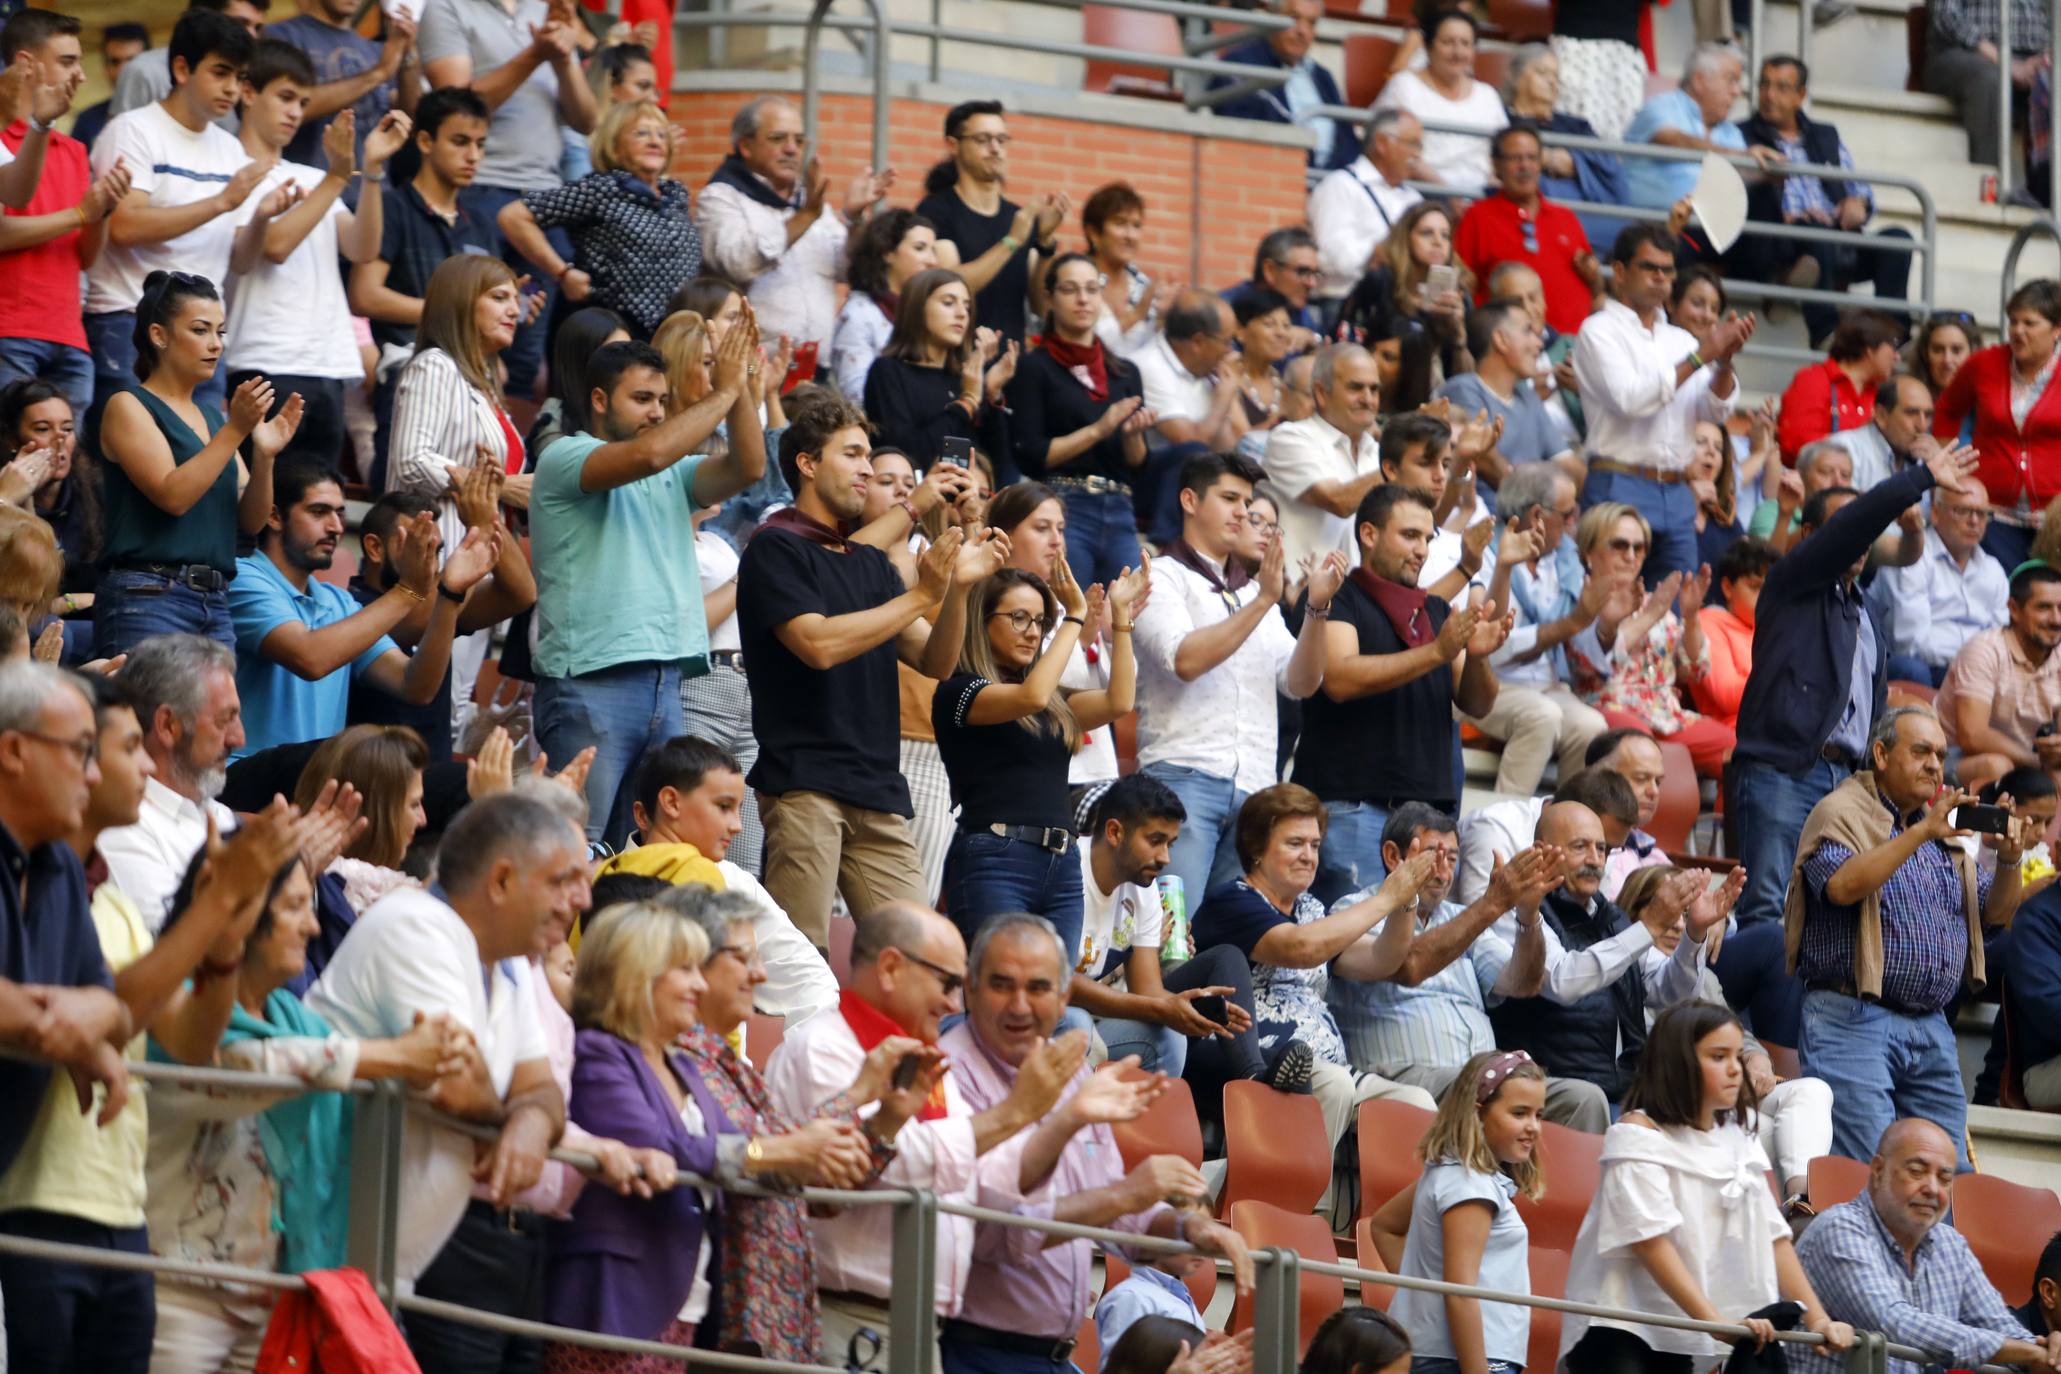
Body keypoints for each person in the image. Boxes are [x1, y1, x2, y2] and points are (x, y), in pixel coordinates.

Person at [143, 838, 465, 1373]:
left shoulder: (298, 1022)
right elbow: (245, 1066)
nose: (313, 927)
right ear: (239, 911)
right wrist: (392, 1055)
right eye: (294, 907)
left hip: (274, 1293)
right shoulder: (173, 1002)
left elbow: (319, 1058)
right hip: (176, 1293)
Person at [305, 790, 577, 1373]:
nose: (578, 900)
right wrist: (519, 1118)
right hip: (316, 1259)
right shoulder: (417, 926)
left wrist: (529, 1122)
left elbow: (543, 1089)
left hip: (375, 1273)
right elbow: (453, 1087)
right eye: (561, 881)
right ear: (501, 880)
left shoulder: (508, 960)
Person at [545, 900, 872, 1372]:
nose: (699, 985)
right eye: (685, 970)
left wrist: (840, 1128)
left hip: (685, 1302)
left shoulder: (678, 1064)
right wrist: (788, 1148)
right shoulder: (600, 1053)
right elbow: (671, 1150)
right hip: (614, 1302)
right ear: (640, 973)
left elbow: (742, 1149)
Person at [762, 901, 1074, 1371]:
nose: (954, 1004)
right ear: (890, 968)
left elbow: (981, 1177)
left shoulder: (919, 1053)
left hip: (915, 1330)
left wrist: (1063, 1120)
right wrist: (1014, 1113)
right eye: (948, 982)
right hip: (845, 1320)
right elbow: (889, 1163)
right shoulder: (821, 1049)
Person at [939, 912, 1255, 1374]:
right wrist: (1126, 1193)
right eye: (1002, 985)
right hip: (975, 1350)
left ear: (1065, 995)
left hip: (1049, 1354)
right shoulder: (947, 1075)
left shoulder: (1069, 1075)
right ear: (969, 986)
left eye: (1040, 988)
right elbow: (994, 1228)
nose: (1021, 1006)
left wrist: (1182, 1230)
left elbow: (1117, 1207)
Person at [736, 396, 970, 951]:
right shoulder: (776, 548)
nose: (868, 468)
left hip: (878, 788)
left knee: (923, 955)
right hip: (804, 783)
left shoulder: (867, 562)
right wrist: (921, 594)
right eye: (854, 454)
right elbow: (817, 645)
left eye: (869, 455)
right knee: (800, 961)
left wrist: (956, 589)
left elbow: (935, 662)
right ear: (808, 464)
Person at [1729, 443, 1980, 941]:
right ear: (1808, 537)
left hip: (1847, 780)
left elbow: (1900, 553)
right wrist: (1921, 477)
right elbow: (1852, 528)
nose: (1861, 540)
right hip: (1785, 770)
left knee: (1836, 920)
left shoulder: (1864, 610)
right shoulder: (1790, 584)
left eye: (1867, 534)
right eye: (1850, 528)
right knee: (1765, 913)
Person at [530, 323, 768, 845]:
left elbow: (749, 464)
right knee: (572, 846)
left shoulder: (674, 474)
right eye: (641, 398)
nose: (657, 412)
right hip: (590, 683)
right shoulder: (564, 456)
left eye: (662, 400)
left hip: (667, 684)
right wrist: (723, 391)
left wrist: (743, 387)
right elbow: (650, 454)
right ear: (598, 399)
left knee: (642, 854)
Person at [667, 885, 919, 1362]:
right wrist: (855, 1098)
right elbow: (735, 1157)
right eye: (743, 959)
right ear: (692, 963)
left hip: (770, 1323)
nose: (761, 976)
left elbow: (801, 1177)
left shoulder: (734, 1069)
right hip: (716, 1322)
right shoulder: (676, 1063)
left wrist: (883, 1116)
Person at [1788, 704, 2038, 1162]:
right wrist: (1923, 830)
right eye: (1921, 751)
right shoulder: (1840, 812)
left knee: (1948, 1177)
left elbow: (1995, 914)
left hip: (1931, 1025)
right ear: (1880, 755)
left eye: (1941, 756)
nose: (1934, 765)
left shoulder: (1939, 830)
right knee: (1868, 1168)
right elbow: (1841, 886)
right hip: (1851, 1019)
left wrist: (2008, 860)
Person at [1558, 1003, 1855, 1374]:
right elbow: (1650, 1242)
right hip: (1622, 1327)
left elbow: (1773, 1238)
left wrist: (1818, 1319)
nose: (1736, 1069)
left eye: (1736, 1055)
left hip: (1683, 1328)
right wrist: (1716, 1323)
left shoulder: (1737, 1136)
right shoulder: (1637, 1132)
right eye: (1718, 1056)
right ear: (1678, 1062)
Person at [0, 663, 147, 1369]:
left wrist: (80, 1022)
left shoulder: (57, 863)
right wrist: (46, 1023)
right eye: (79, 751)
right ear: (13, 750)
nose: (91, 777)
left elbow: (111, 1007)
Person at [1194, 783, 1444, 1171]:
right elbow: (1299, 949)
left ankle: (1377, 1225)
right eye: (1295, 843)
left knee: (1417, 1106)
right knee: (1334, 1085)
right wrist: (1385, 898)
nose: (1309, 856)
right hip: (1260, 1062)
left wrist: (1406, 897)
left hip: (1332, 1067)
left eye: (1314, 845)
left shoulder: (1313, 909)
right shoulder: (1234, 900)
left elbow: (1383, 959)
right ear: (1257, 848)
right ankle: (1292, 1209)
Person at [1327, 803, 1612, 1131]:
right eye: (1433, 855)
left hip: (1484, 1077)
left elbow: (1523, 983)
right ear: (1393, 856)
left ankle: (1531, 1185)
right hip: (1403, 1078)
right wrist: (1494, 903)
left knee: (1584, 1099)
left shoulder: (1459, 917)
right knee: (1503, 1093)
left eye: (1452, 859)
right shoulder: (1352, 911)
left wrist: (1528, 915)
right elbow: (1408, 966)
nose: (1444, 872)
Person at [1135, 452, 1339, 898]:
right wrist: (1265, 600)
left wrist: (1316, 608)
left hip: (1256, 789)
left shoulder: (1252, 593)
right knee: (1171, 933)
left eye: (1246, 502)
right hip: (1182, 774)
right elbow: (1185, 660)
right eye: (1230, 498)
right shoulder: (1160, 577)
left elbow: (1301, 683)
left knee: (1228, 934)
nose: (1242, 512)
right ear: (1189, 500)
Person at [1299, 483, 1509, 901]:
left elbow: (1477, 704)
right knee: (1351, 950)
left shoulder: (1432, 610)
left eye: (1427, 538)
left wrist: (1479, 657)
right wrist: (1436, 651)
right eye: (1409, 535)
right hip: (1354, 807)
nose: (1423, 550)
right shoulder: (1337, 595)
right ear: (1369, 535)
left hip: (1427, 818)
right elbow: (1339, 679)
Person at [934, 556, 1146, 962]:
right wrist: (1075, 617)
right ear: (981, 619)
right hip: (996, 859)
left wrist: (1120, 617)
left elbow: (1120, 700)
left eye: (1039, 621)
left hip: (1062, 866)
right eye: (1019, 618)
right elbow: (1029, 696)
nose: (1033, 632)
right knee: (998, 985)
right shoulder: (960, 692)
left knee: (1053, 995)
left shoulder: (1050, 702)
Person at [92, 272, 302, 659]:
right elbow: (173, 496)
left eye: (220, 332)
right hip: (148, 594)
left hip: (216, 600)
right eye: (200, 330)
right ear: (159, 335)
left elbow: (250, 523)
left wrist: (265, 456)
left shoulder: (212, 418)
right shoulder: (128, 405)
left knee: (210, 720)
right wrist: (235, 430)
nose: (215, 345)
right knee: (145, 719)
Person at [228, 456, 494, 759]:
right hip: (249, 772)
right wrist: (410, 590)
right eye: (318, 512)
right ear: (275, 517)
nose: (335, 527)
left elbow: (415, 687)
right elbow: (308, 658)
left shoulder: (338, 602)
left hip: (312, 780)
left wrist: (450, 594)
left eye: (340, 514)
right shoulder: (241, 576)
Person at [226, 41, 409, 471]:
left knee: (315, 508)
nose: (295, 112)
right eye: (285, 97)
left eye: (304, 102)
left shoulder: (313, 176)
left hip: (329, 363)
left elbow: (362, 247)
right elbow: (274, 246)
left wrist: (373, 172)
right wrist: (338, 176)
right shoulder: (226, 167)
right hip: (260, 358)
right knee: (260, 502)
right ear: (248, 93)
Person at [1069, 772, 1312, 1093]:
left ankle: (1157, 1133)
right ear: (1114, 832)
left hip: (1098, 1019)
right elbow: (1057, 984)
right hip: (1053, 1020)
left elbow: (1147, 989)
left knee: (1171, 1029)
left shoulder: (1144, 889)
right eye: (1155, 841)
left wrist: (1192, 1009)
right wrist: (1163, 1008)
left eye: (1170, 844)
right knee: (1076, 1021)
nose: (1165, 858)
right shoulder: (1067, 868)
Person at [1617, 863, 1837, 1211]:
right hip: (1669, 1115)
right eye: (1672, 912)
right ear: (1633, 912)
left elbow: (1738, 1034)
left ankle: (1801, 1204)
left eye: (1687, 914)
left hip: (1724, 1107)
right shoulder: (1621, 969)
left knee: (1812, 1091)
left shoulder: (1703, 977)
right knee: (1775, 1135)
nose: (1679, 924)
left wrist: (1755, 1059)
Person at [1490, 801, 1728, 1105]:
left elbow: (1671, 993)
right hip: (1554, 1089)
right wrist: (1649, 925)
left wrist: (1694, 935)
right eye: (1580, 847)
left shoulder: (1612, 916)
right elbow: (1562, 981)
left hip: (1627, 1088)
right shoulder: (1520, 910)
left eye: (1601, 849)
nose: (1594, 859)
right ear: (1542, 850)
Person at [418, 0, 597, 400]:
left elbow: (587, 120)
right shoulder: (448, 8)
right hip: (481, 189)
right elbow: (453, 105)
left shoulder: (544, 10)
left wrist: (563, 57)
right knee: (470, 336)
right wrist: (536, 54)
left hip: (546, 200)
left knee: (527, 352)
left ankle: (510, 454)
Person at [84, 9, 261, 413]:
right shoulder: (133, 130)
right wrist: (221, 202)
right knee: (136, 464)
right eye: (221, 72)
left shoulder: (230, 149)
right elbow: (125, 226)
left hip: (206, 332)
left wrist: (264, 215)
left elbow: (243, 260)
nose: (232, 88)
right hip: (128, 321)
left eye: (239, 76)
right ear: (182, 68)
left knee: (206, 464)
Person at [1795, 1117, 2061, 1374]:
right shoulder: (1839, 1228)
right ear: (1878, 1171)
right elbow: (1895, 1324)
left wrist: (2048, 1351)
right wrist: (2028, 1353)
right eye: (1917, 1172)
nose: (1933, 1189)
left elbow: (1998, 1324)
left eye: (1945, 1179)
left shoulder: (1950, 1244)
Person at [608, 735, 839, 1028]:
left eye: (738, 809)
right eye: (724, 806)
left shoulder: (735, 882)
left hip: (724, 1069)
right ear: (670, 803)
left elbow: (812, 981)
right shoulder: (604, 881)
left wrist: (799, 1062)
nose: (737, 825)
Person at [1574, 224, 1753, 585]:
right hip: (1618, 480)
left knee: (1677, 606)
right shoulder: (1598, 330)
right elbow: (1631, 400)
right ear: (1620, 271)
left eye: (1668, 270)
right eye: (1649, 268)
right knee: (1610, 601)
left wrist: (1724, 361)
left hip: (1676, 490)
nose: (1660, 278)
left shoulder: (1680, 339)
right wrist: (1704, 354)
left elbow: (1714, 412)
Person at [345, 85, 493, 484]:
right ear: (425, 141)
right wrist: (459, 313)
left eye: (480, 144)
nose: (473, 155)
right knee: (402, 500)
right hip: (407, 368)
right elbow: (364, 295)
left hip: (475, 376)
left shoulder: (478, 221)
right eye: (460, 141)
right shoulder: (392, 208)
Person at [1365, 1050, 1546, 1374]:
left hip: (1438, 1356)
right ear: (1478, 1114)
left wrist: (1423, 1300)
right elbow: (1461, 1293)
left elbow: (1384, 1227)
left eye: (1538, 1115)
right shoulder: (1471, 1185)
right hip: (1465, 1362)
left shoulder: (1451, 1172)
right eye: (1519, 1113)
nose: (1533, 1127)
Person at [0, 9, 133, 420]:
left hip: (69, 333)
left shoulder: (76, 150)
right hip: (10, 330)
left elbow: (87, 256)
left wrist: (103, 210)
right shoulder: (3, 135)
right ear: (26, 65)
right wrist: (81, 213)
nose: (81, 75)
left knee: (66, 472)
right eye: (67, 61)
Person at [344, 483, 536, 764]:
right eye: (418, 544)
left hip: (432, 773)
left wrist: (486, 520)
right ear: (375, 548)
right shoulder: (351, 607)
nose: (430, 560)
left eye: (436, 549)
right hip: (376, 776)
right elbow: (417, 617)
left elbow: (521, 594)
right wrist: (456, 581)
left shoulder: (442, 600)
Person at [1737, 57, 1915, 350]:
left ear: (1801, 95)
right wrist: (1793, 217)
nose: (1769, 95)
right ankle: (1825, 332)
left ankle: (1894, 334)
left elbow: (1859, 189)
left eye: (1782, 87)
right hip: (1783, 243)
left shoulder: (1825, 134)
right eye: (1765, 85)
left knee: (1898, 240)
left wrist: (1859, 204)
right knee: (1814, 229)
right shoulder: (1742, 135)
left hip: (1837, 239)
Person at [498, 99, 702, 341]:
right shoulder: (601, 189)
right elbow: (514, 216)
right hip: (613, 332)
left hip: (672, 335)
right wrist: (563, 273)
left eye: (661, 134)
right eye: (641, 134)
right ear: (614, 146)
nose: (655, 141)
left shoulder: (675, 196)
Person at [1007, 252, 1153, 585]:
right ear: (1049, 298)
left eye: (1091, 288)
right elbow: (1032, 454)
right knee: (1067, 611)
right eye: (1071, 289)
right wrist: (1099, 429)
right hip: (1065, 506)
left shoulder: (1125, 372)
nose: (1083, 298)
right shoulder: (1035, 367)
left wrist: (1132, 436)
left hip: (1120, 506)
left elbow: (1138, 464)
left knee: (1128, 614)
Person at [1464, 463, 1612, 794]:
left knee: (1593, 728)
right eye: (1569, 512)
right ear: (1536, 515)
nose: (1575, 522)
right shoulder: (1485, 552)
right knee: (1542, 716)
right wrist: (1571, 623)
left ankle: (1568, 827)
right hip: (1489, 685)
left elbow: (1581, 641)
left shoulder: (1566, 560)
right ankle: (1503, 828)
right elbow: (1493, 644)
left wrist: (1608, 625)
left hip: (1547, 684)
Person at [697, 95, 890, 349]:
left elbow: (849, 270)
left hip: (813, 370)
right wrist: (806, 216)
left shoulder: (809, 201)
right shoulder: (721, 197)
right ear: (745, 145)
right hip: (751, 367)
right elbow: (739, 263)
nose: (791, 149)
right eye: (778, 138)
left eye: (799, 141)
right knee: (750, 378)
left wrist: (853, 218)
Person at [1567, 501, 1733, 779]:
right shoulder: (1578, 598)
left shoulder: (1653, 602)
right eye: (1620, 545)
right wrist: (1651, 614)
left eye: (1639, 547)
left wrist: (1691, 617)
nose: (1631, 556)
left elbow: (1693, 669)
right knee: (1639, 745)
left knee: (1734, 749)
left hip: (1666, 714)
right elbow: (1591, 666)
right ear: (1589, 552)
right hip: (1607, 706)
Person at [98, 635, 243, 930]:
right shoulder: (123, 826)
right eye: (223, 720)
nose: (239, 739)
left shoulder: (217, 813)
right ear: (167, 725)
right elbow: (172, 949)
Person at [1932, 279, 2061, 570]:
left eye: (2030, 322)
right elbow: (1947, 410)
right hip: (1993, 514)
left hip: (2055, 520)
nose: (2018, 331)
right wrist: (1948, 461)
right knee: (2002, 597)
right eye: (2013, 321)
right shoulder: (1984, 363)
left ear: (2057, 329)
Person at [916, 99, 1061, 347]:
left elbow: (1040, 306)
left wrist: (1045, 244)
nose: (995, 148)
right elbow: (948, 284)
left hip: (1011, 366)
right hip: (956, 360)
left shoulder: (1018, 217)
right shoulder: (936, 210)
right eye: (983, 139)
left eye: (1002, 140)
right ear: (953, 145)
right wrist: (1011, 241)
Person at [1455, 125, 1600, 342]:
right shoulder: (1477, 216)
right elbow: (1462, 284)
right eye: (1515, 158)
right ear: (1496, 165)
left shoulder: (1565, 216)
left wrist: (1594, 277)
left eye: (1532, 158)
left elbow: (1593, 284)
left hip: (1573, 347)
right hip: (1511, 347)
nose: (1525, 166)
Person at [864, 266, 1014, 473]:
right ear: (917, 308)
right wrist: (967, 402)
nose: (962, 314)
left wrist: (991, 393)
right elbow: (909, 454)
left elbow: (998, 463)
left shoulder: (965, 378)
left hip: (969, 496)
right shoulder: (888, 371)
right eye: (948, 303)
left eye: (967, 307)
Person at [1935, 561, 2061, 788]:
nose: (2055, 620)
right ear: (2014, 609)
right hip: (1948, 757)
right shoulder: (1984, 651)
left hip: (2025, 763)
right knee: (1997, 767)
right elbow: (1973, 737)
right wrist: (2038, 763)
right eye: (2043, 608)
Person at [1263, 343, 1384, 577]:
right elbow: (1338, 501)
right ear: (1321, 393)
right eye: (1356, 388)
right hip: (1299, 600)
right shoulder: (1290, 437)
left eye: (1374, 389)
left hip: (1361, 602)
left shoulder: (1378, 454)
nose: (1368, 399)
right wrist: (1400, 460)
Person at [1502, 43, 1631, 254]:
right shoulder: (1501, 118)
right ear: (1515, 77)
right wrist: (1542, 158)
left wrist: (1575, 163)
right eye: (1542, 72)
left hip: (1587, 209)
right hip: (1533, 209)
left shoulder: (1575, 125)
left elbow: (1610, 168)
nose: (1552, 82)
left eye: (1555, 76)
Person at [263, 0, 420, 167]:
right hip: (307, 184)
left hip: (372, 186)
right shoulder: (282, 35)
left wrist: (407, 54)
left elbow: (409, 122)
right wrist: (378, 74)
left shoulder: (377, 50)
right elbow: (283, 110)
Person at [1205, 0, 1354, 172]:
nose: (1302, 31)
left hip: (1329, 185)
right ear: (1272, 18)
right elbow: (1244, 134)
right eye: (1294, 18)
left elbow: (1348, 143)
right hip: (1273, 178)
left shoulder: (1322, 77)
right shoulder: (1241, 65)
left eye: (1311, 23)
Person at [1436, 297, 1576, 477]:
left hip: (1537, 502)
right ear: (1501, 340)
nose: (1539, 343)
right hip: (1484, 505)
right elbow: (1489, 463)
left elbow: (1569, 464)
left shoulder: (1528, 397)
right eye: (1528, 332)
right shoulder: (1462, 389)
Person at [1371, 8, 1506, 192]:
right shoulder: (1404, 86)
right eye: (1448, 42)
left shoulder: (1487, 95)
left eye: (1466, 44)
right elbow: (1389, 150)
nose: (1458, 52)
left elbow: (1502, 152)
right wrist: (1449, 194)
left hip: (1481, 193)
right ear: (1428, 46)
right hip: (1420, 190)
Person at [1338, 202, 1472, 386]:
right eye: (1427, 233)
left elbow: (1466, 384)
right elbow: (1344, 339)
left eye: (1445, 236)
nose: (1438, 242)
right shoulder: (1381, 282)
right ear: (1405, 238)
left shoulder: (1459, 298)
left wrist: (1459, 339)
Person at [1308, 109, 1425, 313]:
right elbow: (1330, 257)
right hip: (1347, 303)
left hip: (1402, 305)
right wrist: (1378, 252)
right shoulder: (1341, 185)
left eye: (1419, 146)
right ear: (1381, 143)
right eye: (1411, 144)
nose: (1417, 154)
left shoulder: (1414, 198)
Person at [1923, 1, 2052, 175]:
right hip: (1967, 51)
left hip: (2032, 55)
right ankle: (1988, 184)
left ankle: (2047, 189)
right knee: (1990, 80)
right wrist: (2006, 63)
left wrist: (2046, 57)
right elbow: (1946, 17)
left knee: (2052, 79)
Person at [1623, 43, 1751, 214]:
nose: (1737, 91)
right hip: (1654, 226)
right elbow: (1672, 139)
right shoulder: (1661, 105)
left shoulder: (1731, 133)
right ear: (1699, 81)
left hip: (1713, 228)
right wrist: (1738, 156)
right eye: (1731, 80)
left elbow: (1744, 175)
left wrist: (1772, 169)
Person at [832, 206, 937, 401]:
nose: (932, 261)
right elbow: (856, 395)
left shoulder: (926, 314)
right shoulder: (860, 314)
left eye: (933, 251)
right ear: (888, 251)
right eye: (920, 248)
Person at [1776, 312, 1905, 463]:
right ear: (1870, 349)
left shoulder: (1878, 392)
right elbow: (1796, 443)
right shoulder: (1813, 380)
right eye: (1893, 346)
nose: (1897, 357)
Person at [107, 0, 266, 122]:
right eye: (240, 23)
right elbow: (120, 143)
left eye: (257, 28)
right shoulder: (145, 71)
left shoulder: (247, 75)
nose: (252, 36)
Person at [1692, 534, 1777, 732]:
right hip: (1738, 738)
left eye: (1770, 588)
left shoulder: (1772, 627)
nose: (1765, 597)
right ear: (1728, 587)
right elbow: (1726, 696)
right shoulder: (1709, 622)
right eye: (1755, 587)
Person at [1083, 182, 1173, 358]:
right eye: (1120, 223)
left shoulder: (1143, 285)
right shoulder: (1075, 280)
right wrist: (1137, 314)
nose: (1130, 236)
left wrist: (1165, 318)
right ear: (1094, 233)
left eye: (1137, 226)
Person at [1836, 374, 1940, 495]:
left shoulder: (1927, 456)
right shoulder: (1846, 449)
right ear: (1881, 416)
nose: (1922, 426)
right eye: (1911, 413)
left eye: (1928, 415)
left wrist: (1937, 474)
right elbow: (1842, 510)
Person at [1227, 288, 1294, 463]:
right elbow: (1242, 441)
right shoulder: (1227, 377)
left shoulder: (1285, 382)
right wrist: (1279, 416)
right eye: (1269, 324)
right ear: (1240, 331)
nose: (1281, 333)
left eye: (1286, 326)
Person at [67, 22, 149, 154]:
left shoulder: (170, 115)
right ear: (105, 67)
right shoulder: (87, 121)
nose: (123, 70)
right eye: (115, 62)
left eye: (132, 60)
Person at [1915, 310, 1981, 401]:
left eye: (1956, 350)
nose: (1947, 360)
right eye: (1938, 350)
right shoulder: (1908, 400)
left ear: (1974, 353)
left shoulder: (1988, 406)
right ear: (1925, 353)